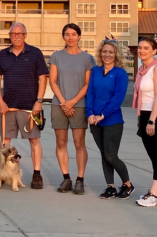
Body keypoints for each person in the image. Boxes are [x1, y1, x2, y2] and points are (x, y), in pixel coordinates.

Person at [0, 22, 49, 188]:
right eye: (13, 34)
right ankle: (2, 174)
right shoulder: (3, 54)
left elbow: (43, 78)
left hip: (30, 107)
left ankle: (37, 175)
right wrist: (0, 101)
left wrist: (39, 101)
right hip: (8, 106)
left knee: (34, 141)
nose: (16, 36)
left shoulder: (35, 53)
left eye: (20, 33)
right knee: (5, 142)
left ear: (25, 35)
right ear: (10, 36)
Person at [48, 23, 95, 195]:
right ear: (63, 37)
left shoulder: (87, 59)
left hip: (79, 106)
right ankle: (66, 177)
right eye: (67, 34)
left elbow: (87, 84)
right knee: (61, 142)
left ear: (79, 36)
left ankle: (80, 179)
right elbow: (52, 81)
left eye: (74, 34)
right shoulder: (56, 56)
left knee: (79, 143)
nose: (70, 37)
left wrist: (72, 102)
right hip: (59, 104)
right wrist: (63, 102)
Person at [86, 36, 134, 199]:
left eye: (111, 52)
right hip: (94, 121)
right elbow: (90, 93)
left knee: (111, 155)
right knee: (103, 154)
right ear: (100, 53)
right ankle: (110, 187)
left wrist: (102, 115)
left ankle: (127, 184)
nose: (107, 55)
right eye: (104, 52)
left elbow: (117, 99)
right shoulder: (95, 71)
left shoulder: (120, 74)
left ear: (116, 54)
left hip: (112, 121)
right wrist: (89, 114)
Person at [134, 37, 157, 207]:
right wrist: (141, 118)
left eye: (146, 48)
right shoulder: (142, 69)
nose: (142, 50)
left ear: (154, 51)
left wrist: (152, 121)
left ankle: (154, 194)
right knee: (153, 154)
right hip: (146, 115)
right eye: (140, 47)